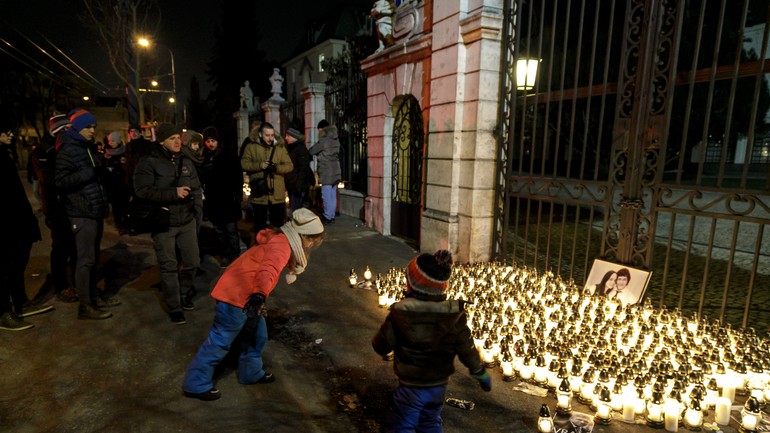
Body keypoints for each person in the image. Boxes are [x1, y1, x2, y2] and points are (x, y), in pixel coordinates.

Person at [182, 208, 325, 400]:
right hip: (237, 296)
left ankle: (250, 372)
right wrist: (259, 295)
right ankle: (195, 383)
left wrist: (258, 298)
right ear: (303, 235)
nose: (310, 245)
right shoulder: (282, 247)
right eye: (311, 241)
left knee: (257, 335)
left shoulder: (280, 239)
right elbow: (268, 270)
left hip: (247, 295)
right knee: (220, 341)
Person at [372, 249, 492, 432]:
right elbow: (466, 347)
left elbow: (381, 345)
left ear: (412, 285)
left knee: (402, 424)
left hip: (412, 386)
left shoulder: (401, 312)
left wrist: (382, 346)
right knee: (430, 420)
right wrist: (480, 373)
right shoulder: (454, 314)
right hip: (438, 385)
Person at [133, 123, 203, 323]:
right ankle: (175, 306)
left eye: (178, 137)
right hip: (163, 222)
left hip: (187, 220)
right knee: (169, 265)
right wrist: (173, 193)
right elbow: (142, 190)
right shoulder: (149, 161)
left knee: (192, 262)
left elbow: (197, 188)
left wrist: (197, 213)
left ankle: (183, 293)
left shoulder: (185, 160)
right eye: (172, 138)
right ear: (162, 141)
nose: (177, 141)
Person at [55, 109, 120, 320]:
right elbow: (61, 182)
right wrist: (90, 172)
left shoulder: (87, 148)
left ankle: (94, 297)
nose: (92, 130)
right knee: (85, 260)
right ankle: (85, 305)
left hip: (94, 210)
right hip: (81, 212)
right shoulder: (68, 150)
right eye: (88, 127)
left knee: (92, 259)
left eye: (93, 126)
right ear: (77, 128)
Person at [0, 123, 52, 331]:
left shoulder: (5, 153)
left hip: (17, 219)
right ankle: (3, 312)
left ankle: (20, 302)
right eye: (6, 130)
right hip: (5, 221)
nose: (11, 134)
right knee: (4, 267)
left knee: (17, 263)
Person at [30, 114, 78, 303]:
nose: (69, 132)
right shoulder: (43, 150)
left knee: (75, 246)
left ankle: (78, 282)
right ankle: (61, 285)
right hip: (55, 205)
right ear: (57, 131)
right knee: (60, 247)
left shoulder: (67, 145)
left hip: (71, 203)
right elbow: (48, 179)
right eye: (65, 129)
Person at [200, 126, 243, 267]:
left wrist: (238, 194)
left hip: (228, 199)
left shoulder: (228, 154)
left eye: (213, 141)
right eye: (207, 141)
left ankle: (235, 256)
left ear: (218, 141)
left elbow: (237, 175)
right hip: (213, 200)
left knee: (231, 230)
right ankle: (224, 255)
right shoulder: (204, 157)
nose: (210, 144)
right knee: (219, 231)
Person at [241, 122, 293, 234]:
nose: (270, 138)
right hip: (259, 193)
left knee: (278, 226)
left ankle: (276, 245)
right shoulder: (251, 147)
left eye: (272, 135)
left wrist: (276, 168)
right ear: (260, 134)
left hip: (277, 194)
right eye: (267, 135)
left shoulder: (279, 148)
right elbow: (243, 164)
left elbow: (289, 166)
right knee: (260, 227)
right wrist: (259, 165)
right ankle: (260, 244)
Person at [308, 120, 341, 224]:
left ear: (322, 129)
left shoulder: (324, 140)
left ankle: (327, 216)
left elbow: (312, 151)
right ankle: (332, 215)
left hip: (326, 171)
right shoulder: (336, 139)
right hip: (335, 170)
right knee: (332, 195)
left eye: (319, 130)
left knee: (326, 195)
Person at [102, 131, 130, 230]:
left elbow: (127, 167)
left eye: (113, 141)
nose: (110, 143)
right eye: (109, 141)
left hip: (123, 184)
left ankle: (126, 223)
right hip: (111, 185)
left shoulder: (124, 152)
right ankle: (119, 224)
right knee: (115, 206)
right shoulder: (106, 153)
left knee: (124, 206)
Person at [284, 127, 312, 214]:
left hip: (297, 186)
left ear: (294, 137)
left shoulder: (300, 149)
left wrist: (298, 186)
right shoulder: (291, 148)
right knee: (294, 210)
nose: (286, 138)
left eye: (288, 136)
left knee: (296, 211)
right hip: (292, 184)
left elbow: (303, 169)